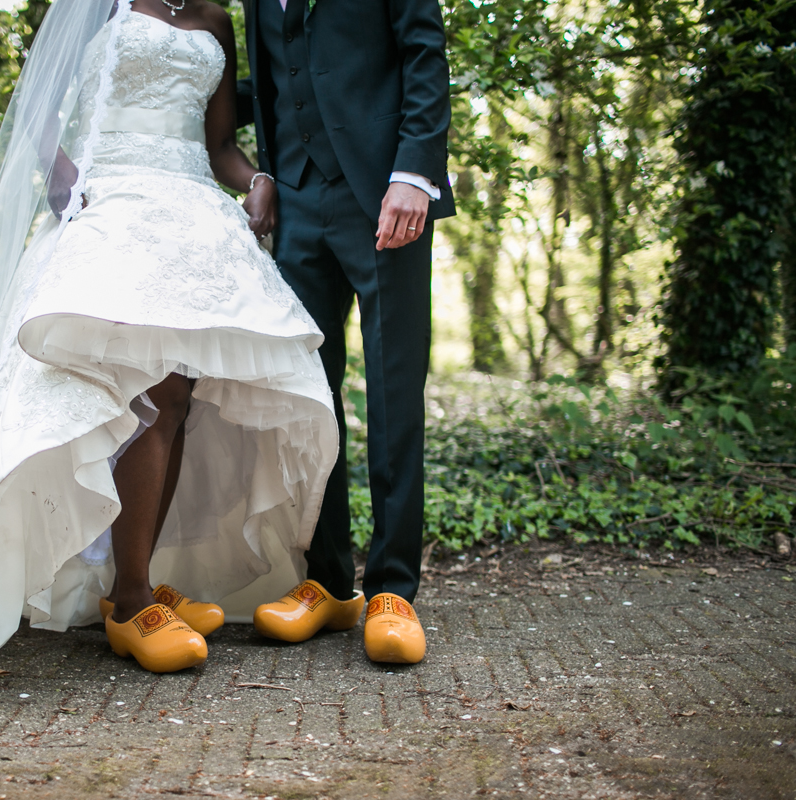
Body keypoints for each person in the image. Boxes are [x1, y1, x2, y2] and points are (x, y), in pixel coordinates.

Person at [0, 0, 338, 678]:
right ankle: (132, 600)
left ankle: (133, 582)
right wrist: (66, 188)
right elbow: (37, 113)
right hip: (109, 205)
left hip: (191, 215)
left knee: (180, 399)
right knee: (140, 396)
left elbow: (218, 145)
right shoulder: (96, 6)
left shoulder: (215, 18)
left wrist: (257, 180)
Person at [239, 0, 456, 663]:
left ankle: (393, 590)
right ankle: (329, 583)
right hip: (298, 205)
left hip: (386, 193)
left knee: (393, 397)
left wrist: (414, 174)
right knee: (307, 398)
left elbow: (424, 52)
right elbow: (274, 78)